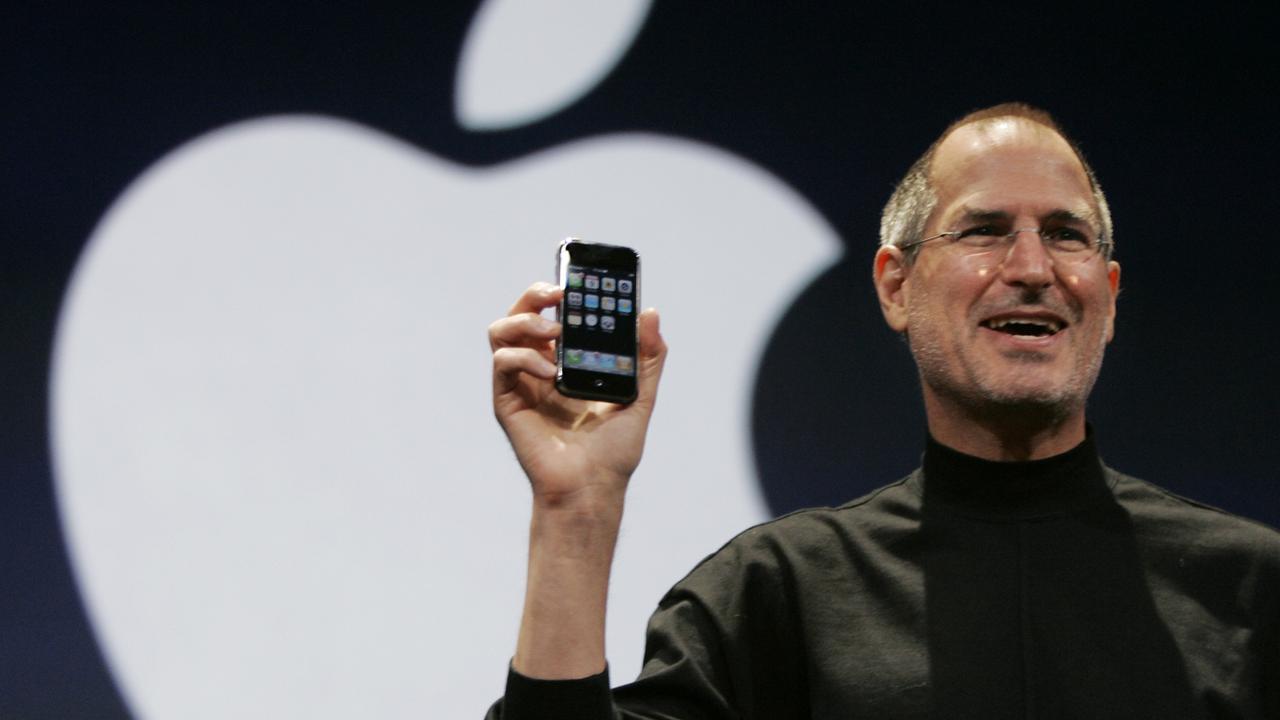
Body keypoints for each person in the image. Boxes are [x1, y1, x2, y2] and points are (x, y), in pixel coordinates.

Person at [484, 103, 1280, 718]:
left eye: (1068, 236)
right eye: (984, 230)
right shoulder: (776, 597)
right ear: (895, 286)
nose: (1033, 267)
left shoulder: (1251, 592)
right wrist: (576, 510)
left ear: (1107, 298)